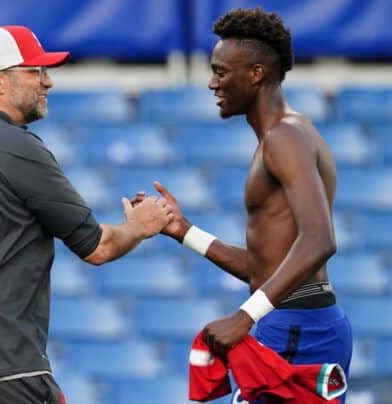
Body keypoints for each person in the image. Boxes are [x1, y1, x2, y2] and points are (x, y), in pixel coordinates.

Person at [0, 25, 172, 404]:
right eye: (35, 71)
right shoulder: (17, 147)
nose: (48, 82)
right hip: (9, 372)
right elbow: (97, 247)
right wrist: (138, 227)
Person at [135, 8, 352, 403]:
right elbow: (265, 269)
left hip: (296, 327)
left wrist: (245, 316)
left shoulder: (284, 137)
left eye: (220, 72)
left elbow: (320, 240)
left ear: (255, 74)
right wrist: (185, 232)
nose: (211, 83)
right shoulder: (288, 134)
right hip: (299, 320)